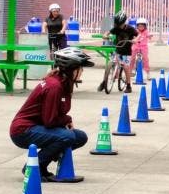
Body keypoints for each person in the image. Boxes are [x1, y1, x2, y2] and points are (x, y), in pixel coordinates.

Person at [9, 47, 90, 181]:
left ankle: (42, 165)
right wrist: (66, 120)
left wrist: (66, 120)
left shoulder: (62, 83)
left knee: (80, 137)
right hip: (23, 130)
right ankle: (33, 167)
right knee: (67, 136)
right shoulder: (54, 86)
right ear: (72, 69)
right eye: (81, 69)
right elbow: (49, 121)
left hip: (37, 127)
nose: (82, 72)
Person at [100, 11, 138, 93]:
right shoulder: (116, 28)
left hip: (126, 52)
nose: (118, 26)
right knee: (109, 64)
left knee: (125, 67)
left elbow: (138, 35)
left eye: (120, 24)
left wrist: (135, 39)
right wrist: (105, 35)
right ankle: (105, 81)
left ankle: (128, 86)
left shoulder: (130, 29)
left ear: (124, 22)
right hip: (117, 49)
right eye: (117, 24)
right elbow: (108, 32)